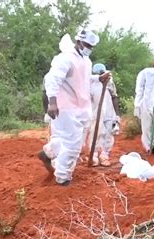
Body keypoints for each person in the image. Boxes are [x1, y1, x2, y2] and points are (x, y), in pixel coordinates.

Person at [38, 30, 109, 186]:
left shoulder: (86, 60)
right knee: (73, 146)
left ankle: (48, 153)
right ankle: (63, 177)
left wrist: (98, 78)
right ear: (78, 42)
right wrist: (52, 102)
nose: (89, 48)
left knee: (70, 141)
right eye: (87, 45)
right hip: (66, 108)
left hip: (81, 107)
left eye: (92, 46)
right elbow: (52, 80)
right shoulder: (65, 58)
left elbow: (82, 79)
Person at [87, 63, 121, 167]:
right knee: (95, 133)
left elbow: (114, 97)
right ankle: (94, 155)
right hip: (95, 112)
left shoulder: (109, 82)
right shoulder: (90, 82)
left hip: (109, 112)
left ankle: (105, 155)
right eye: (100, 74)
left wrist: (117, 115)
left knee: (108, 133)